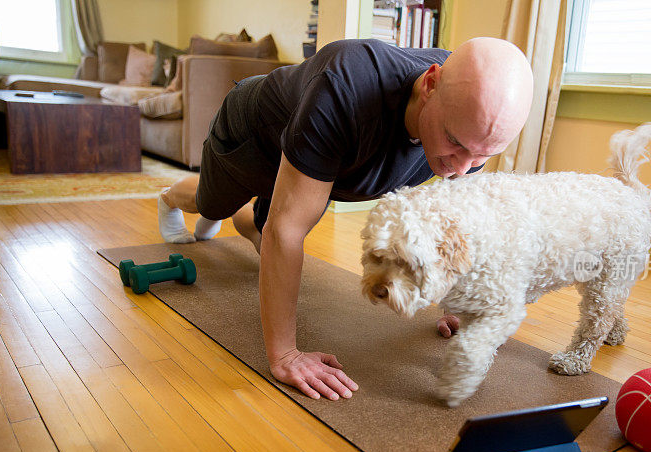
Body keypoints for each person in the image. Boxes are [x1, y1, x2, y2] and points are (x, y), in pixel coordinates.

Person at [157, 37, 533, 402]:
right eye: (454, 142)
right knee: (218, 206)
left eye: (482, 155)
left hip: (320, 156)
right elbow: (287, 230)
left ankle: (252, 214)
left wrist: (456, 304)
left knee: (264, 228)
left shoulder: (474, 111)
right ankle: (171, 198)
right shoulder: (346, 87)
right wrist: (285, 355)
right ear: (430, 84)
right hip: (254, 136)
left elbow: (456, 221)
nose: (464, 169)